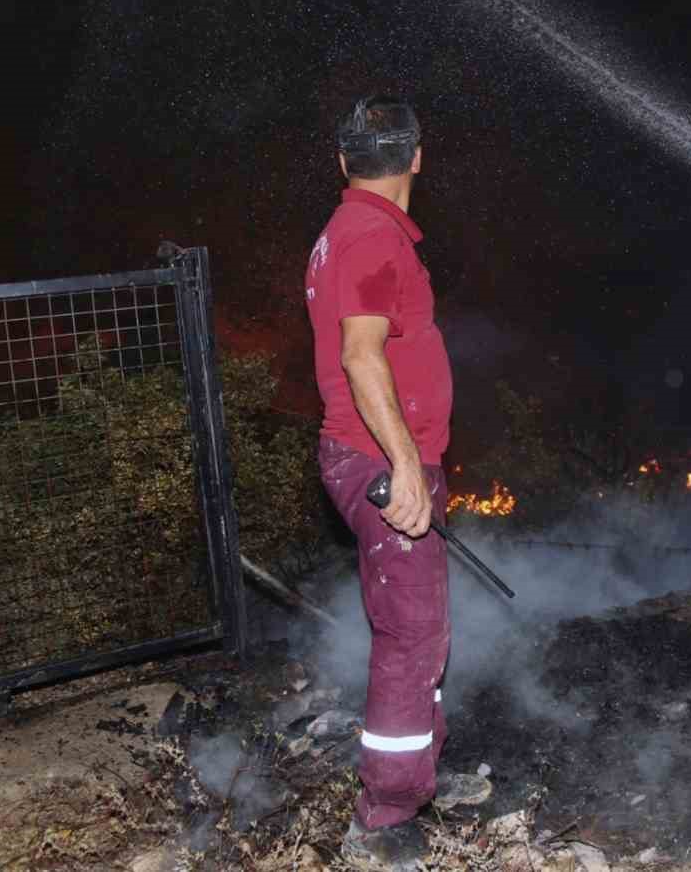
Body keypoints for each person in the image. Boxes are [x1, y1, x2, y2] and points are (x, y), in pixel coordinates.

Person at [305, 95, 453, 867]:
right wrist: (402, 467)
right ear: (417, 156)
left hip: (376, 457)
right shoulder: (368, 236)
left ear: (343, 162)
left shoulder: (355, 232)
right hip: (377, 462)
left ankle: (416, 774)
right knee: (411, 633)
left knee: (419, 626)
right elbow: (362, 356)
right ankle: (386, 819)